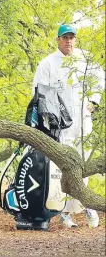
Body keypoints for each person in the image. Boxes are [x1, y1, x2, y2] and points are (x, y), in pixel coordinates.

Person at [32, 24, 104, 228]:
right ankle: (64, 211)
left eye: (72, 38)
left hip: (83, 119)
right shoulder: (47, 64)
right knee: (64, 164)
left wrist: (94, 100)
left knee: (83, 161)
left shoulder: (85, 59)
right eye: (65, 38)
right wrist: (47, 118)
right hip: (61, 125)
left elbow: (100, 78)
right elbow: (38, 91)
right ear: (58, 40)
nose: (69, 41)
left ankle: (87, 204)